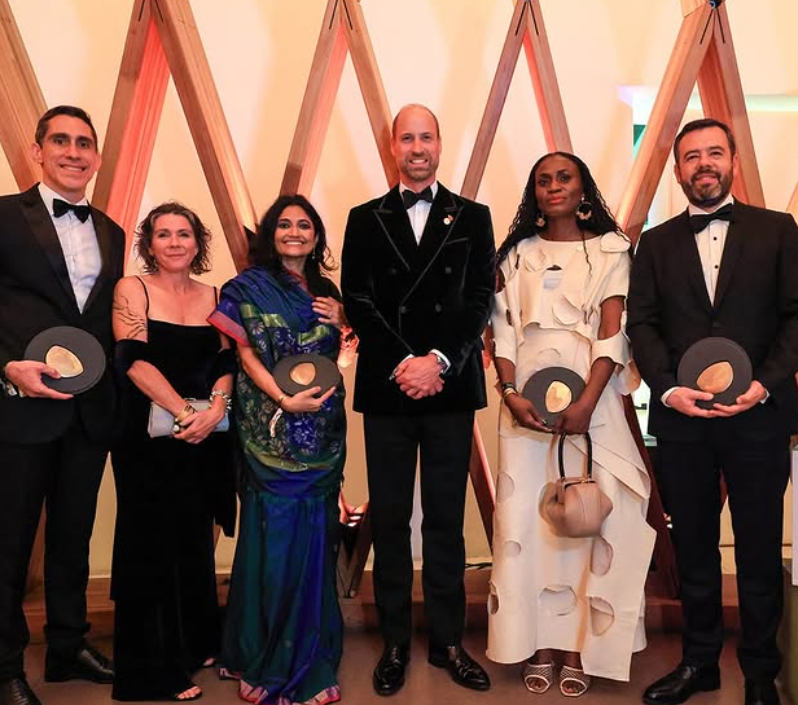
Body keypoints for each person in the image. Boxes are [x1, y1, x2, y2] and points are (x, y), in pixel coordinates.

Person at [627, 118, 798, 705]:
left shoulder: (779, 230)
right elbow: (641, 324)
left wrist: (766, 386)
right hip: (681, 421)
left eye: (714, 153)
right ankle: (699, 664)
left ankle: (758, 675)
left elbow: (796, 317)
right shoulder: (655, 242)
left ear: (731, 164)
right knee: (693, 547)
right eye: (692, 156)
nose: (704, 164)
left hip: (759, 418)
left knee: (756, 547)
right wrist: (669, 389)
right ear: (678, 171)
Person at [486, 152, 655, 697]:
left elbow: (612, 333)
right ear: (534, 192)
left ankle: (581, 646)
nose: (554, 186)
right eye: (544, 179)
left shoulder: (610, 250)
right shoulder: (516, 255)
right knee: (527, 526)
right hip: (525, 413)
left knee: (592, 521)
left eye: (565, 177)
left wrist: (585, 401)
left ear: (583, 188)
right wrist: (510, 395)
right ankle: (535, 643)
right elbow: (504, 333)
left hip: (593, 406)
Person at [341, 104, 495, 696]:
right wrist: (405, 362)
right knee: (392, 519)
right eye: (406, 137)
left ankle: (450, 641)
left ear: (439, 143)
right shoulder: (363, 217)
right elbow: (359, 297)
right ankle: (397, 641)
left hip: (449, 387)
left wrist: (439, 362)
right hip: (389, 388)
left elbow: (480, 297)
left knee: (445, 522)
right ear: (392, 147)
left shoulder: (474, 216)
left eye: (425, 135)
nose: (416, 146)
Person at [0, 105, 124, 705]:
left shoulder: (112, 231)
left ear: (96, 157)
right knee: (9, 541)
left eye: (84, 143)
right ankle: (4, 666)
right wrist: (5, 366)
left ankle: (68, 644)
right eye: (62, 142)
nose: (74, 152)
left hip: (89, 410)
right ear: (38, 150)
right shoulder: (1, 217)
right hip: (21, 407)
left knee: (73, 535)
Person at [209, 194, 347, 705]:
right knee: (272, 539)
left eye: (304, 225)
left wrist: (344, 315)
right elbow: (245, 354)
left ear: (316, 235)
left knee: (315, 537)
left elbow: (339, 348)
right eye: (284, 225)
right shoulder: (245, 287)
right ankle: (264, 651)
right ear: (271, 234)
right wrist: (285, 399)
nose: (294, 232)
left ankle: (310, 647)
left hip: (324, 435)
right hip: (269, 428)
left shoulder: (329, 291)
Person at [109, 202, 236, 701]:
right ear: (150, 243)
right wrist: (185, 411)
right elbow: (132, 362)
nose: (175, 242)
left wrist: (215, 409)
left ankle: (197, 643)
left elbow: (228, 361)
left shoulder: (216, 294)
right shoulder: (132, 289)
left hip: (207, 434)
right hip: (147, 438)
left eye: (184, 233)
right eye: (164, 234)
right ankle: (152, 669)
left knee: (193, 541)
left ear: (198, 242)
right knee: (150, 546)